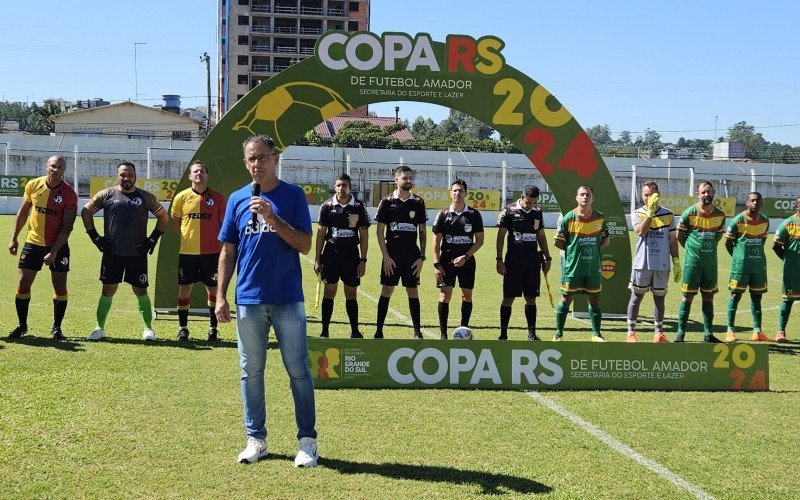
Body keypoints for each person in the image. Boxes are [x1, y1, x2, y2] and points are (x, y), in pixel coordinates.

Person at [215, 135, 318, 467]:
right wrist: (220, 296)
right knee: (251, 371)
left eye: (262, 157)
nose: (256, 164)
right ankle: (256, 439)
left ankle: (307, 442)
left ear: (276, 159)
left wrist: (273, 218)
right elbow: (228, 250)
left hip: (287, 298)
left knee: (298, 371)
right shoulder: (236, 199)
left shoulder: (293, 196)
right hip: (248, 299)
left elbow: (304, 244)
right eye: (250, 159)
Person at [81, 161, 168, 341]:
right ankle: (99, 328)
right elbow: (86, 212)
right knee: (107, 290)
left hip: (137, 254)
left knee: (141, 291)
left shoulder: (145, 197)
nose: (126, 178)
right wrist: (95, 237)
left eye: (130, 174)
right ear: (117, 176)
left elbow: (163, 216)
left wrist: (153, 239)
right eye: (123, 174)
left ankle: (148, 329)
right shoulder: (107, 194)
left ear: (135, 176)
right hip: (113, 253)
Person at [7, 156, 77, 339]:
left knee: (59, 284)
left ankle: (57, 328)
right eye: (53, 166)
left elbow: (68, 226)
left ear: (64, 170)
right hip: (33, 243)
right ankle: (22, 326)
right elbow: (23, 212)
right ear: (46, 166)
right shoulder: (33, 185)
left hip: (58, 246)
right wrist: (13, 238)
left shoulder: (69, 194)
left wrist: (53, 251)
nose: (56, 169)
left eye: (60, 167)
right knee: (23, 283)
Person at [169, 160, 227, 342]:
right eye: (195, 172)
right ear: (190, 176)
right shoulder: (181, 197)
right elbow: (177, 223)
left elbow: (223, 224)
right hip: (188, 254)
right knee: (185, 289)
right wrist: (189, 237)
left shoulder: (217, 198)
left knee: (213, 289)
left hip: (211, 253)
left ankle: (213, 328)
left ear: (207, 175)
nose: (199, 174)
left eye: (202, 171)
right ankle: (183, 328)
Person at [313, 173, 370, 338]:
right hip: (331, 254)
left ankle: (355, 331)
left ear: (350, 187)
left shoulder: (358, 207)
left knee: (351, 293)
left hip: (351, 255)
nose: (341, 188)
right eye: (338, 185)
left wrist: (363, 259)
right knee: (329, 292)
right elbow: (320, 234)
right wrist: (318, 259)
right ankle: (324, 331)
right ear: (334, 187)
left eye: (344, 185)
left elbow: (364, 235)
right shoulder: (327, 206)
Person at [374, 165, 427, 339]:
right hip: (392, 253)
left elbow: (423, 231)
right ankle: (379, 331)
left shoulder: (418, 202)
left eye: (410, 177)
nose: (408, 180)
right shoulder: (387, 201)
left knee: (412, 291)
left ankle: (417, 332)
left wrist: (421, 257)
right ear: (396, 180)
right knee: (387, 290)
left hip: (412, 253)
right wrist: (386, 257)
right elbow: (379, 232)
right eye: (405, 178)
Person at [626, 182, 680, 343]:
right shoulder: (637, 213)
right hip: (642, 263)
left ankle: (659, 333)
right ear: (641, 196)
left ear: (658, 195)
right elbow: (641, 232)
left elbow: (672, 239)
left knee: (659, 298)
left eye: (652, 194)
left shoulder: (668, 215)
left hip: (661, 264)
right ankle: (631, 333)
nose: (648, 197)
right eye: (645, 194)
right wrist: (649, 214)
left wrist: (676, 260)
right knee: (636, 297)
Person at [554, 185, 609, 342]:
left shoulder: (600, 218)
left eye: (588, 194)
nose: (585, 197)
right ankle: (558, 333)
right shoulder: (568, 218)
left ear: (593, 198)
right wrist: (574, 251)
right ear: (577, 198)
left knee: (595, 299)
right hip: (573, 267)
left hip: (592, 267)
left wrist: (592, 249)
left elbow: (606, 239)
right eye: (582, 194)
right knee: (566, 299)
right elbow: (558, 242)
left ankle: (596, 334)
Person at [495, 185, 551, 340]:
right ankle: (503, 334)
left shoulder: (538, 212)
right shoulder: (508, 211)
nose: (530, 205)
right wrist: (499, 259)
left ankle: (532, 334)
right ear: (522, 196)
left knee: (531, 298)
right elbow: (500, 237)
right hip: (513, 261)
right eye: (528, 202)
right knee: (509, 297)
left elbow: (541, 236)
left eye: (534, 203)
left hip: (532, 261)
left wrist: (548, 257)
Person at [432, 180, 484, 339]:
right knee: (444, 296)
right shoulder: (443, 214)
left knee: (466, 296)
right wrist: (436, 263)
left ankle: (464, 331)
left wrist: (466, 256)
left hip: (467, 261)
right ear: (450, 193)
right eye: (454, 190)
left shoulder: (474, 215)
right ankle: (443, 334)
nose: (457, 193)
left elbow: (480, 240)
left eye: (460, 191)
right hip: (446, 260)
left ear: (466, 193)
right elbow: (436, 241)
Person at [675, 181, 726, 343]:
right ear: (698, 194)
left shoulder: (720, 215)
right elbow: (680, 237)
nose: (706, 195)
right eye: (703, 192)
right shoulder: (689, 213)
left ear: (714, 193)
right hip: (693, 264)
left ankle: (708, 334)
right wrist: (692, 250)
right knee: (687, 298)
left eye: (709, 192)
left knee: (709, 297)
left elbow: (718, 236)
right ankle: (680, 334)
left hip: (710, 264)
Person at [724, 192, 770, 343]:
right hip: (741, 267)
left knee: (757, 297)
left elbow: (762, 241)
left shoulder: (765, 221)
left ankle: (757, 331)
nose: (755, 203)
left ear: (761, 202)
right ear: (747, 203)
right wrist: (738, 257)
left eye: (758, 200)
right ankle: (730, 330)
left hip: (757, 266)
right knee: (735, 296)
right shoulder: (738, 220)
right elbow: (728, 243)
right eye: (752, 200)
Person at [772, 196, 800, 343]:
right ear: (797, 207)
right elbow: (776, 246)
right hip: (792, 272)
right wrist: (788, 260)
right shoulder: (788, 224)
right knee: (788, 300)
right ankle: (781, 332)